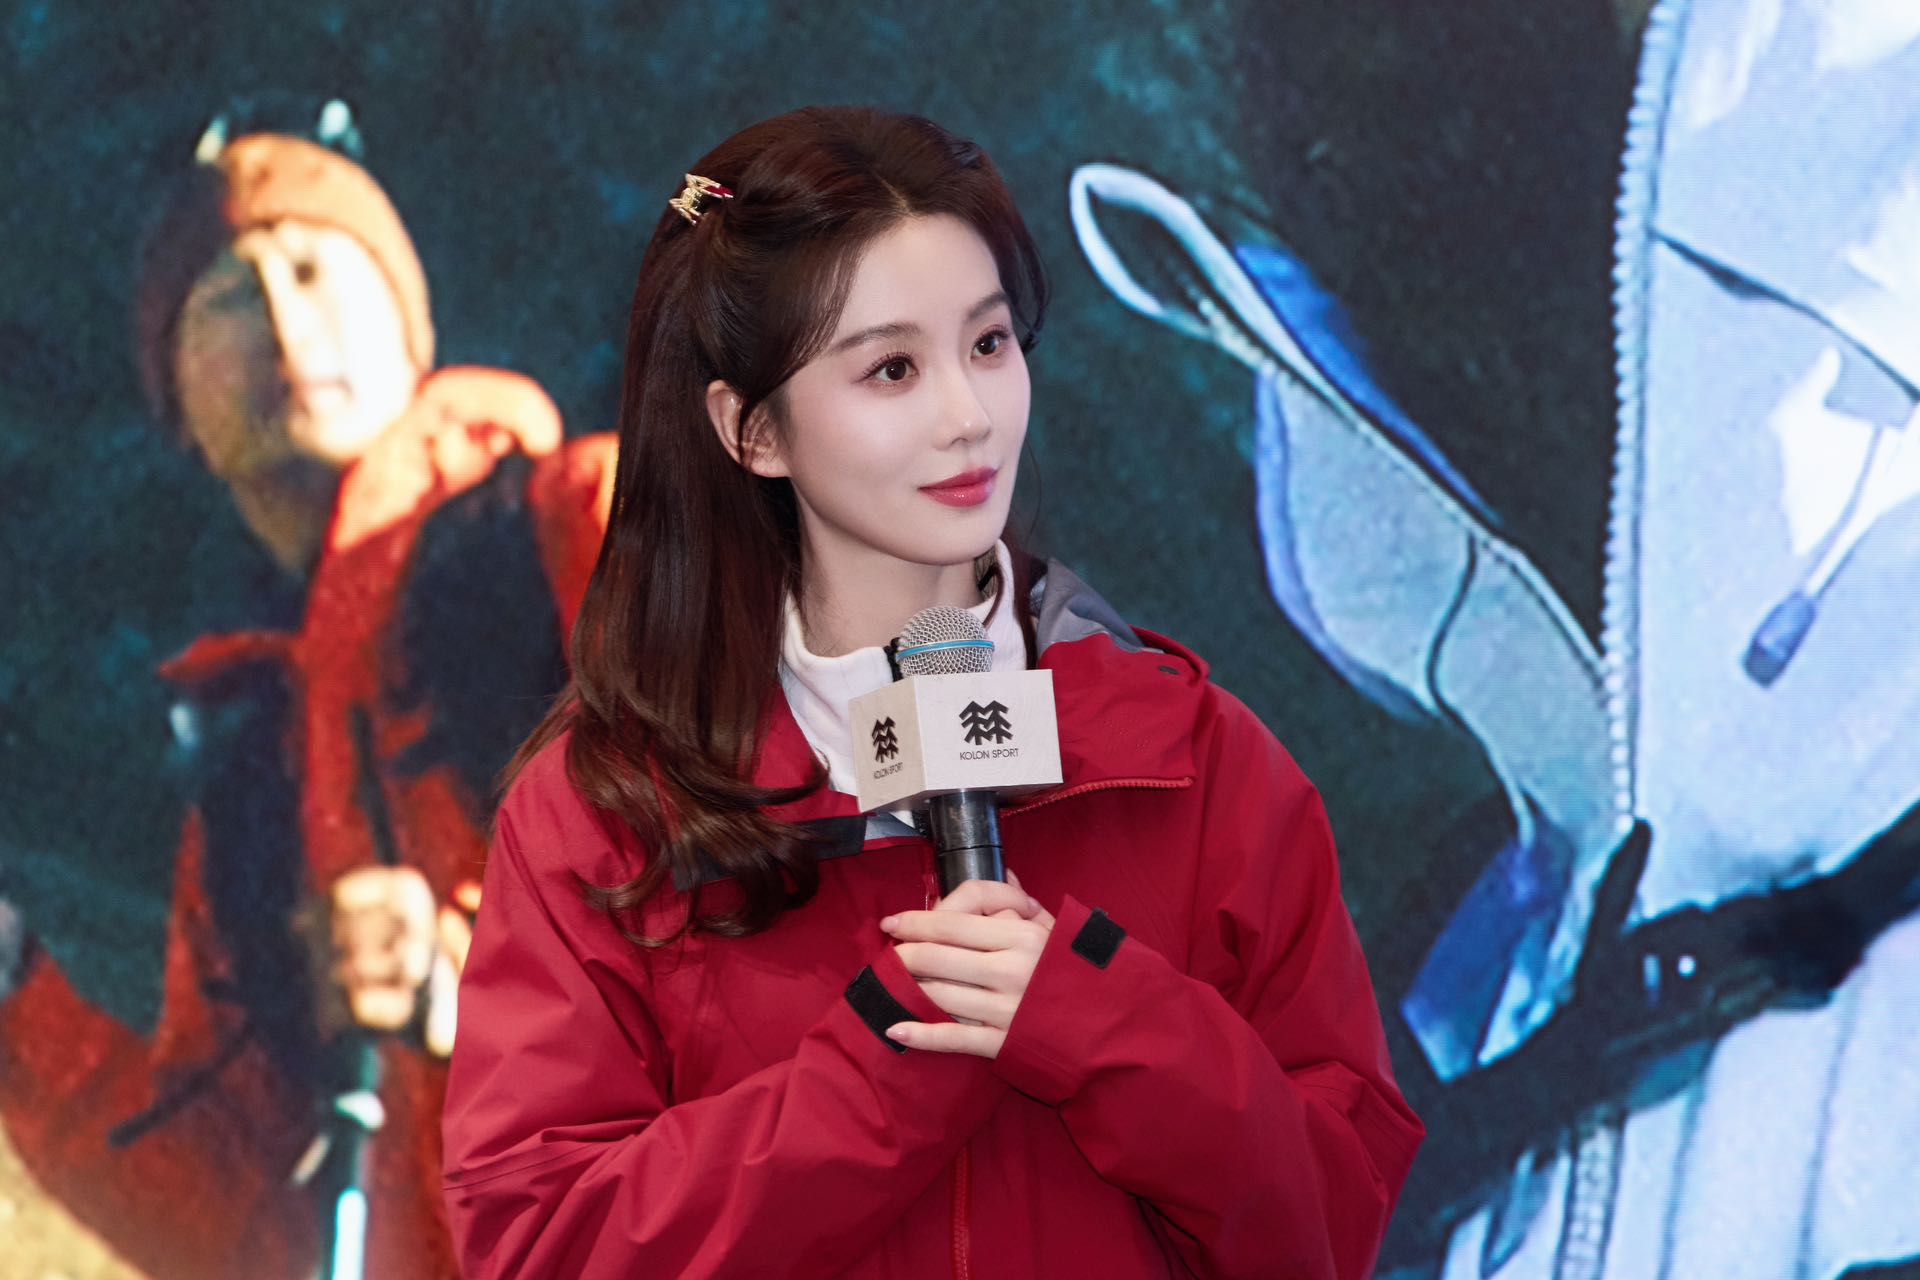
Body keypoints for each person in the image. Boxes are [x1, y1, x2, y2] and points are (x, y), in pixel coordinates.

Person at [440, 105, 1424, 1279]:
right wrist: (887, 1063)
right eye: (893, 369)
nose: (968, 416)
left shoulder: (1194, 760)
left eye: (990, 344)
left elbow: (1333, 1217)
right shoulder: (605, 813)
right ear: (752, 429)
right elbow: (540, 1244)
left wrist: (1103, 1023)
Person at [0, 103, 613, 1279]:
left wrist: (474, 981)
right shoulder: (248, 783)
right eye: (229, 297)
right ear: (179, 406)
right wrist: (14, 987)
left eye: (320, 270)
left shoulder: (586, 531)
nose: (284, 320)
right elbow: (249, 1225)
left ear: (411, 333)